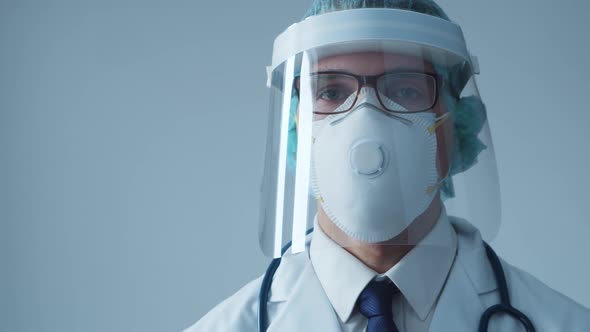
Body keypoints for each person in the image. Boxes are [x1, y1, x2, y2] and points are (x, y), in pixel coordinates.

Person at [185, 1, 590, 331]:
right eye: (331, 91)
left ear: (454, 124)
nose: (367, 118)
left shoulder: (564, 323)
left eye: (405, 89)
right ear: (297, 128)